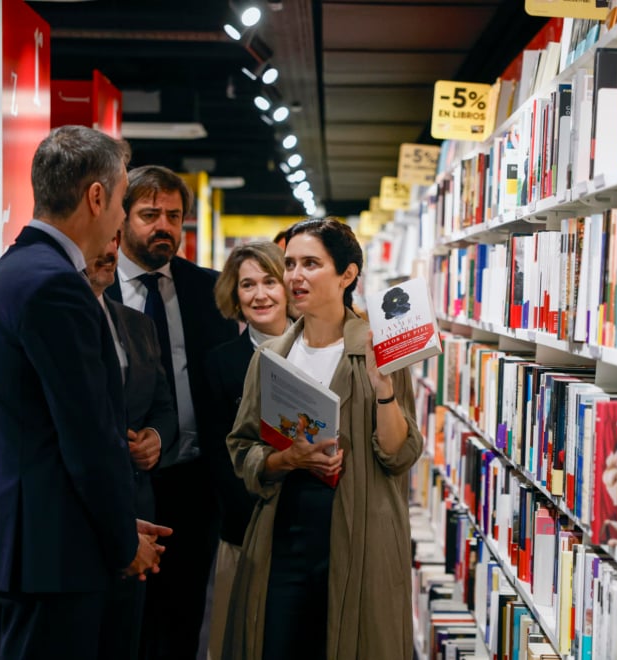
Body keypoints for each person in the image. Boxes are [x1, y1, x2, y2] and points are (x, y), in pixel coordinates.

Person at [0, 125, 171, 659]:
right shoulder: (57, 285)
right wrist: (121, 540)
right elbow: (87, 437)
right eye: (122, 201)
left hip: (33, 547)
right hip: (54, 556)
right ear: (96, 197)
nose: (121, 218)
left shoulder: (10, 271)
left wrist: (116, 526)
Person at [223, 217, 423, 660]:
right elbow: (243, 448)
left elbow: (399, 455)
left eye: (311, 264)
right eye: (290, 263)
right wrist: (288, 459)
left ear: (347, 275)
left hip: (359, 536)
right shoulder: (271, 356)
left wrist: (384, 389)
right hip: (284, 536)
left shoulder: (376, 348)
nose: (295, 276)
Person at [106, 164, 239, 659]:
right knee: (126, 623)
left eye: (174, 216)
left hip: (194, 483)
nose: (164, 226)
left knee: (184, 618)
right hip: (121, 485)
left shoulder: (211, 291)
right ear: (122, 218)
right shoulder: (93, 288)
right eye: (150, 214)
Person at [86, 230, 179, 660]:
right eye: (99, 241)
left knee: (126, 638)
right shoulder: (58, 323)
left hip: (138, 502)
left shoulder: (139, 324)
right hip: (80, 513)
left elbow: (164, 405)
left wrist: (154, 438)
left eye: (114, 242)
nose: (108, 250)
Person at [202, 241, 291, 660]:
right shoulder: (219, 364)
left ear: (288, 287)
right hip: (244, 529)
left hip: (311, 528)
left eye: (270, 281)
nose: (260, 295)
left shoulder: (321, 352)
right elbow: (217, 456)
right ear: (234, 296)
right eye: (247, 285)